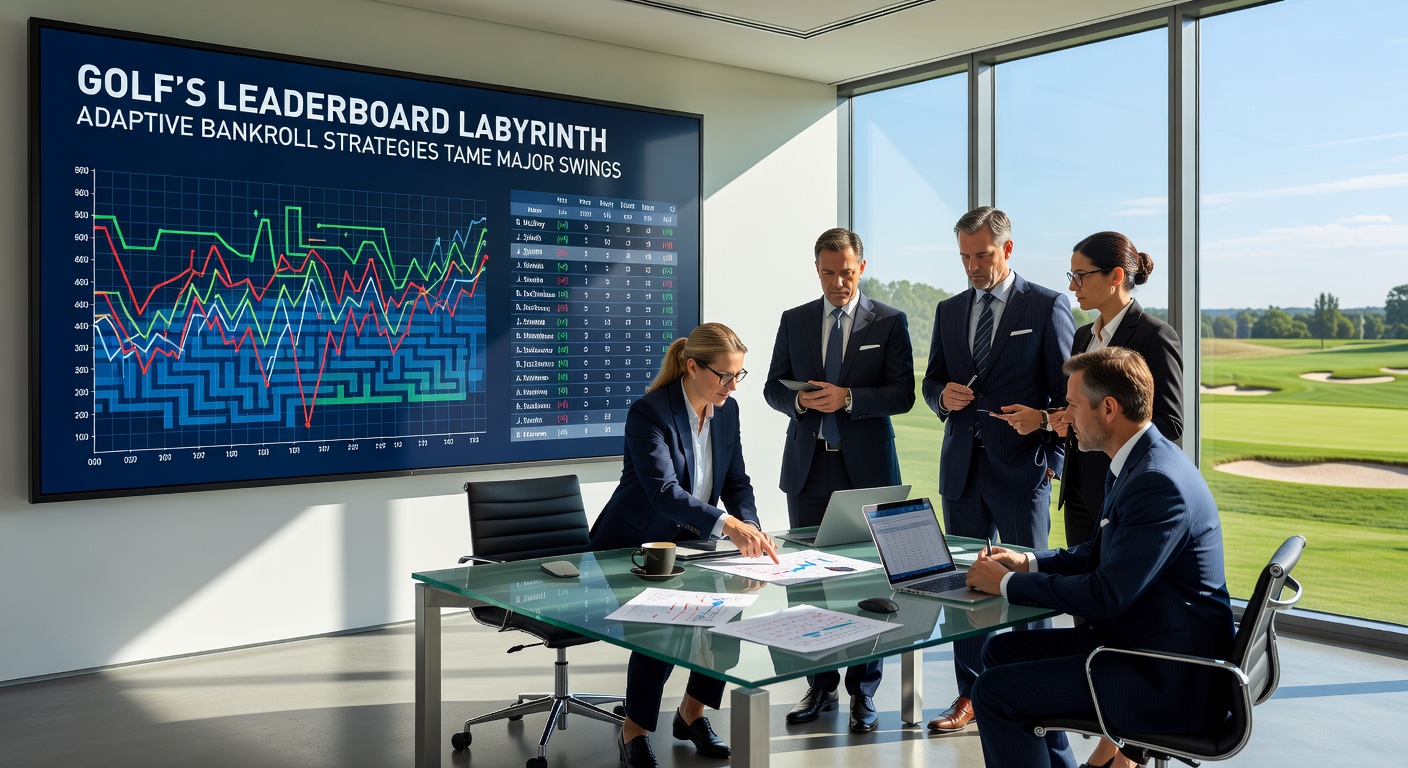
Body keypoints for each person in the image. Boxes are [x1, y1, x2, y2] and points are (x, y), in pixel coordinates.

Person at [964, 346, 1234, 767]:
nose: (1064, 416)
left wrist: (1004, 585)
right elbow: (1100, 552)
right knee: (1000, 654)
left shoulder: (1156, 482)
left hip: (1166, 678)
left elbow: (1106, 595)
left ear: (1108, 408)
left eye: (1071, 404)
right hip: (1145, 644)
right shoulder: (1141, 461)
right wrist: (1027, 563)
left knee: (993, 692)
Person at [590, 322, 779, 768]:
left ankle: (691, 714)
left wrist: (748, 524)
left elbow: (737, 481)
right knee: (663, 626)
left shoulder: (725, 411)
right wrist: (728, 524)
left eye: (739, 376)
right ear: (693, 367)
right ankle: (633, 730)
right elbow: (663, 491)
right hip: (633, 545)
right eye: (725, 376)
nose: (733, 386)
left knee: (728, 614)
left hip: (693, 542)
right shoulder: (649, 412)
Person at [920, 206, 1074, 733]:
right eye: (964, 257)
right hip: (961, 471)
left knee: (1033, 588)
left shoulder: (1049, 305)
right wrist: (943, 396)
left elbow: (1066, 398)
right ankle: (970, 695)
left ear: (1008, 249)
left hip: (1022, 472)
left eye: (982, 256)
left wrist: (1052, 460)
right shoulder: (948, 310)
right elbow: (931, 380)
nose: (973, 267)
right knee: (966, 591)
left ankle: (1041, 695)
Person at [762, 227, 915, 733]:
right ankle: (819, 685)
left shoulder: (890, 321)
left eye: (846, 271)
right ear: (817, 269)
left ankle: (863, 693)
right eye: (828, 272)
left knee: (869, 585)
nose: (838, 281)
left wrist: (849, 398)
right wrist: (800, 400)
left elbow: (901, 395)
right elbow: (770, 387)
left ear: (861, 267)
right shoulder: (795, 320)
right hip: (808, 469)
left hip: (866, 471)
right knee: (809, 585)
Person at [1047, 232, 1184, 768]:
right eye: (1071, 276)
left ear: (1115, 277)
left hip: (1129, 497)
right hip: (1082, 496)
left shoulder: (1154, 335)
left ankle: (1123, 746)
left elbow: (1165, 426)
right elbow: (1091, 408)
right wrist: (1064, 420)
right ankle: (1114, 733)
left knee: (1122, 617)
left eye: (1082, 275)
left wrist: (1107, 437)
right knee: (1090, 621)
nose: (1074, 285)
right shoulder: (1084, 335)